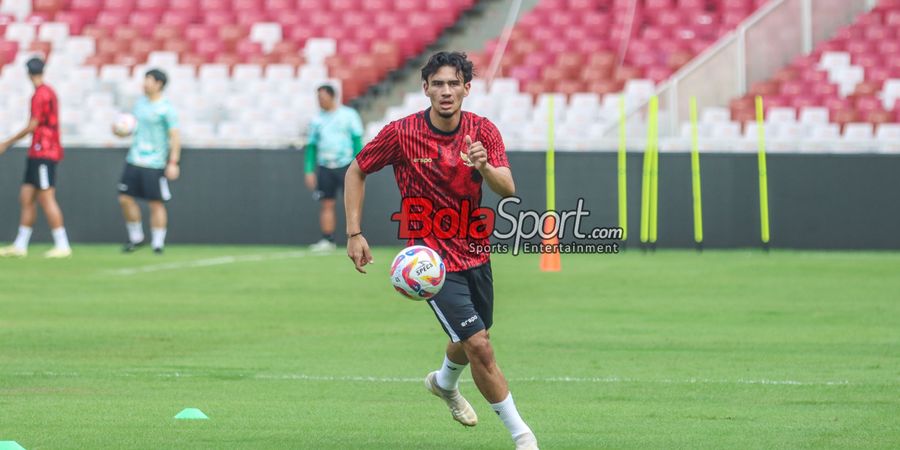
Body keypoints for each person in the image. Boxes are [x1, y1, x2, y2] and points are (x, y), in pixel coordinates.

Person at [344, 52, 539, 450]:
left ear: (467, 89)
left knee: (473, 335)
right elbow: (357, 169)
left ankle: (444, 382)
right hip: (429, 261)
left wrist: (484, 167)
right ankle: (523, 437)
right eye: (438, 83)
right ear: (426, 88)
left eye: (454, 83)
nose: (446, 91)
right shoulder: (402, 133)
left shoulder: (483, 131)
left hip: (475, 252)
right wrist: (354, 232)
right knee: (480, 345)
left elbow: (508, 189)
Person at [0, 57, 72, 258]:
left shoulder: (40, 94)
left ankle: (62, 244)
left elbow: (33, 124)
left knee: (46, 198)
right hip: (37, 152)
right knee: (26, 197)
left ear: (28, 73)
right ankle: (20, 244)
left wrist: (7, 142)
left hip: (44, 152)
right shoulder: (48, 92)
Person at [114, 68, 181, 254]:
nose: (144, 84)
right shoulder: (140, 104)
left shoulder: (167, 109)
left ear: (159, 84)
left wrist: (173, 162)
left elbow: (175, 136)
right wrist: (119, 131)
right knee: (125, 199)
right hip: (134, 159)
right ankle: (136, 237)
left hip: (155, 163)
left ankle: (158, 243)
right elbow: (131, 128)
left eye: (148, 80)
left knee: (155, 203)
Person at [304, 84, 363, 252]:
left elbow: (357, 140)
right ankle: (327, 240)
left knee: (352, 204)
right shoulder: (317, 120)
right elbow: (312, 147)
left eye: (322, 97)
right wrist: (309, 170)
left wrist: (359, 165)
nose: (320, 101)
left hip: (347, 166)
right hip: (325, 166)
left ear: (332, 97)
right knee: (326, 204)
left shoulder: (348, 115)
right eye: (318, 98)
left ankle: (355, 237)